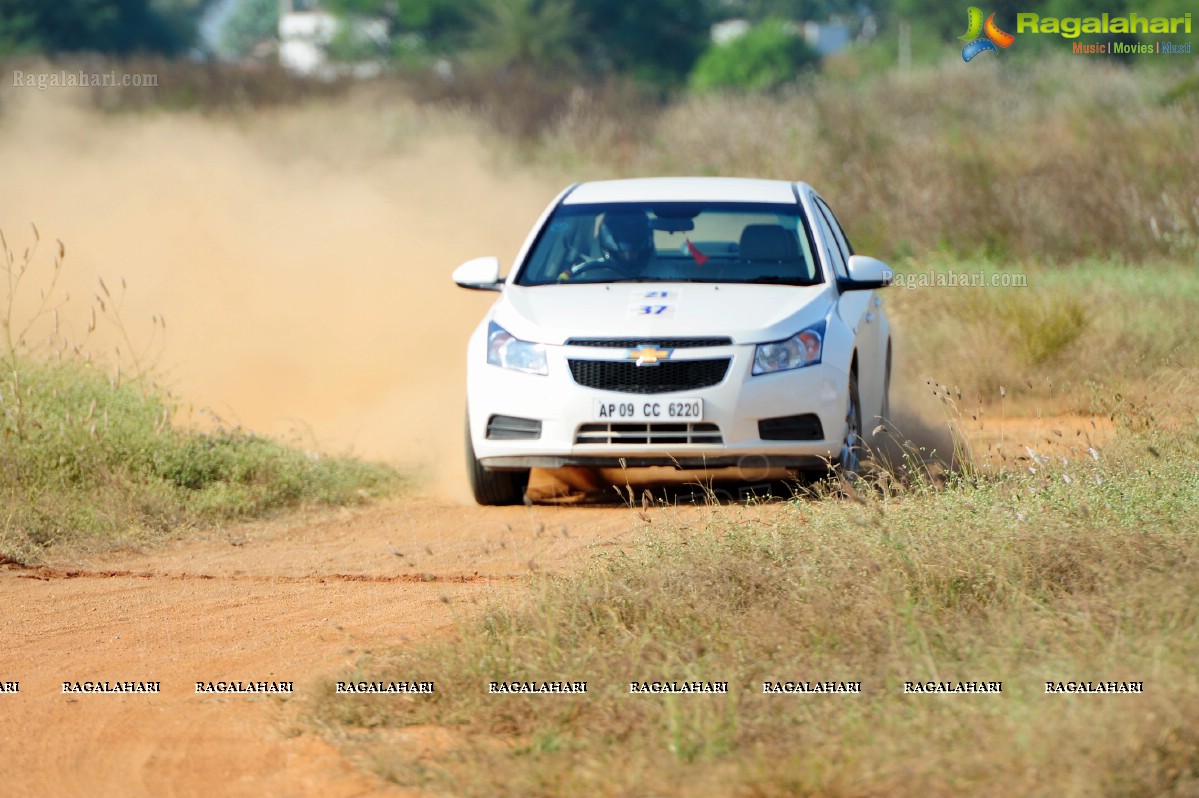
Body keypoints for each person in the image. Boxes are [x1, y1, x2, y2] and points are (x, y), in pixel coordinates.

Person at [561, 210, 655, 281]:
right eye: (622, 230)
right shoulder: (585, 272)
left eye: (634, 231)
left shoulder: (666, 272)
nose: (628, 255)